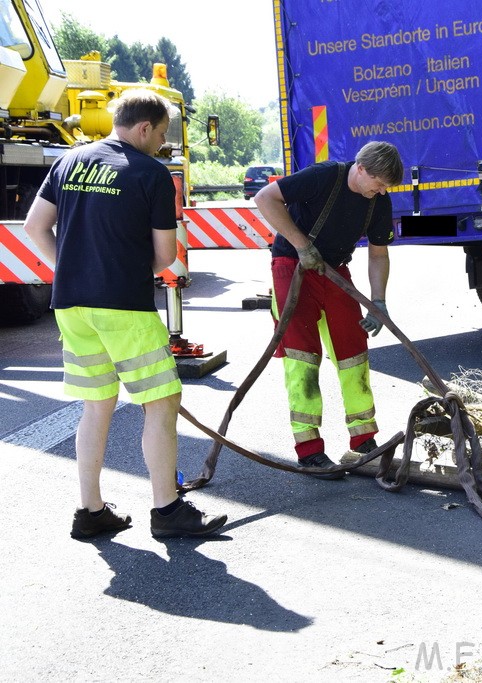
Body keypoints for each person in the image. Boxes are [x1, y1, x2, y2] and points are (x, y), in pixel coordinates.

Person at [23, 90, 228, 539]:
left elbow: (34, 226)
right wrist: (122, 273)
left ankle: (91, 512)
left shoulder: (68, 161)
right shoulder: (152, 174)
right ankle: (167, 511)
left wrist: (72, 270)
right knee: (161, 403)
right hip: (124, 307)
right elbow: (165, 255)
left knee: (96, 405)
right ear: (143, 128)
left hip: (71, 306)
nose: (160, 145)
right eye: (160, 135)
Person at [254, 141, 403, 479]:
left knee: (353, 351)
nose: (381, 192)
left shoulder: (377, 200)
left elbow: (378, 254)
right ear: (361, 168)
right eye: (378, 183)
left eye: (386, 187)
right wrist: (302, 245)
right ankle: (309, 450)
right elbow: (265, 198)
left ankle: (364, 439)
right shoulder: (324, 177)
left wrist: (379, 303)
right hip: (292, 267)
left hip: (333, 269)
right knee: (302, 357)